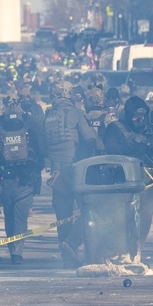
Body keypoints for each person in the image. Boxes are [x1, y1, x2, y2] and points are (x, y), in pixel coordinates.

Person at [104, 96, 153, 261]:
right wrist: (134, 147)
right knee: (121, 218)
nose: (140, 120)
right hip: (122, 181)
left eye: (142, 117)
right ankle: (120, 251)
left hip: (146, 181)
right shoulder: (115, 128)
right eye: (135, 117)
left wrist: (147, 144)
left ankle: (138, 252)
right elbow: (111, 148)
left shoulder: (148, 129)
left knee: (147, 218)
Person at [44, 80, 102, 267]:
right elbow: (91, 139)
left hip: (56, 173)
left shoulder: (48, 116)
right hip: (75, 169)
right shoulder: (76, 113)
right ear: (69, 94)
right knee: (90, 208)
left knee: (63, 215)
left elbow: (43, 145)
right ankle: (76, 243)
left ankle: (67, 256)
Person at [0, 101, 45, 265]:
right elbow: (41, 156)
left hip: (6, 181)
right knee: (21, 219)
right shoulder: (30, 132)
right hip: (25, 181)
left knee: (9, 217)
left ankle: (12, 250)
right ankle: (17, 253)